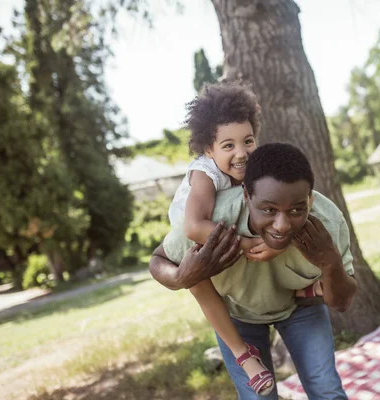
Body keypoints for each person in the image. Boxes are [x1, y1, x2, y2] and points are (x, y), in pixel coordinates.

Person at [150, 143, 357, 399]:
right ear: (246, 196)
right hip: (238, 314)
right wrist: (181, 277)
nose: (281, 225)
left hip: (301, 308)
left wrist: (330, 262)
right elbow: (158, 259)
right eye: (269, 210)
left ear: (310, 200)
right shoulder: (214, 219)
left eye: (296, 210)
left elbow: (342, 302)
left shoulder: (327, 223)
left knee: (326, 388)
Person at [169, 83, 283, 395]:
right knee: (200, 285)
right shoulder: (205, 175)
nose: (242, 153)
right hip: (192, 240)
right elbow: (193, 226)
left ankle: (302, 279)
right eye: (228, 146)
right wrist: (243, 245)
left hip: (222, 229)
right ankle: (243, 354)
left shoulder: (249, 166)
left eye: (248, 141)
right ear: (209, 149)